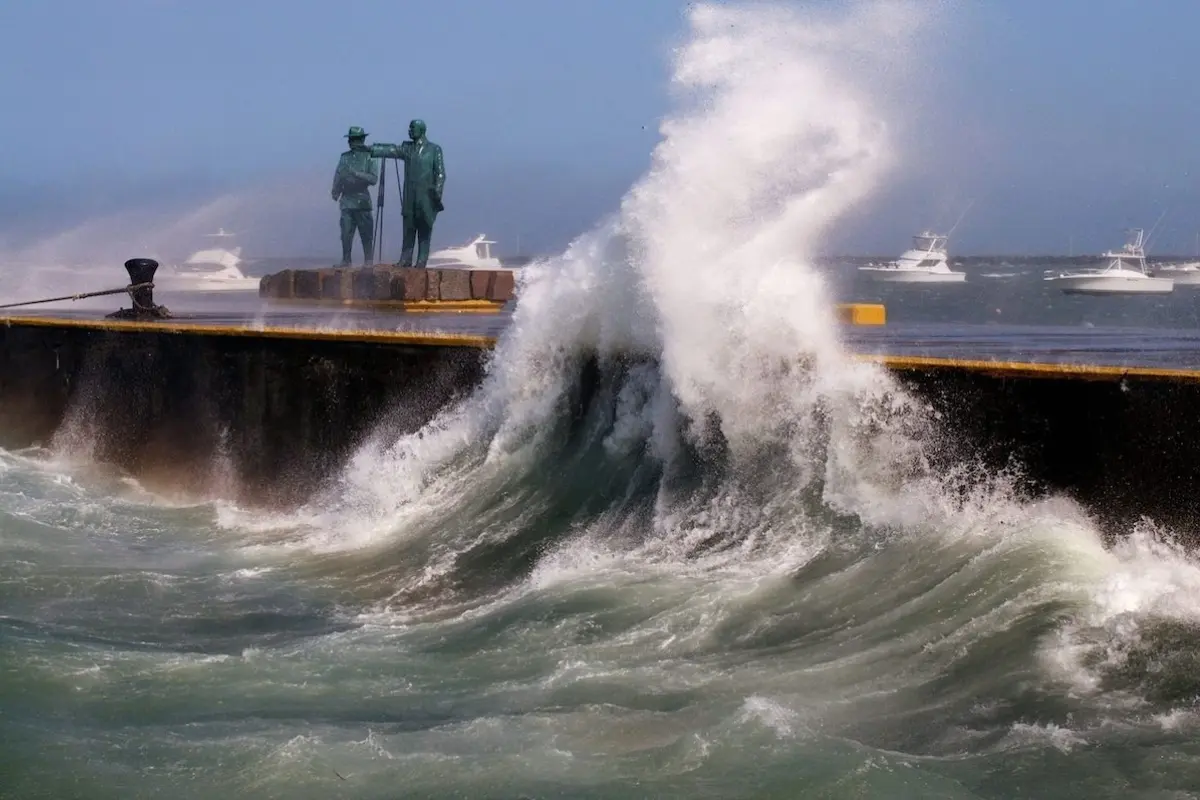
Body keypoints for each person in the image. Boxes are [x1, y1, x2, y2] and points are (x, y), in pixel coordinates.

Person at [370, 119, 445, 268]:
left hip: (426, 197)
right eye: (410, 128)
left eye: (412, 128)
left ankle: (421, 260)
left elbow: (441, 174)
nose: (409, 131)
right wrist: (371, 149)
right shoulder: (407, 148)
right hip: (410, 197)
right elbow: (392, 150)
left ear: (421, 130)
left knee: (424, 230)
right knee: (409, 228)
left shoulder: (434, 149)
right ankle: (405, 259)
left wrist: (437, 192)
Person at [331, 126, 379, 267]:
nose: (352, 142)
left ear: (362, 140)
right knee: (345, 233)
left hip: (362, 200)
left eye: (355, 139)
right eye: (351, 139)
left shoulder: (369, 156)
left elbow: (373, 179)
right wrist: (336, 190)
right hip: (347, 200)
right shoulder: (344, 157)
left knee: (366, 234)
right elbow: (339, 175)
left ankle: (368, 260)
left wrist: (356, 173)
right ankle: (346, 260)